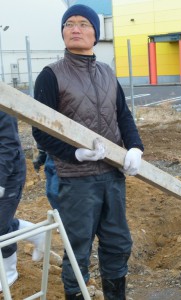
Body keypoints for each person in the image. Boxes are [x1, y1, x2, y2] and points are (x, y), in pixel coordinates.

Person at [32, 4, 144, 300]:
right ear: (63, 33)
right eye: (69, 24)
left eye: (83, 24)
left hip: (111, 175)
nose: (76, 29)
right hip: (74, 179)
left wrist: (135, 148)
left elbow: (123, 117)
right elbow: (39, 130)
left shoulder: (107, 73)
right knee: (77, 248)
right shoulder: (51, 75)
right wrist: (74, 154)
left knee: (118, 243)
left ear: (95, 34)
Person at [0, 111, 44, 292]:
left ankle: (9, 273)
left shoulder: (2, 104)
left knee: (0, 227)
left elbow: (8, 144)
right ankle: (37, 233)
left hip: (9, 173)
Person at [33, 146, 59, 210]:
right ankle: (59, 215)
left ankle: (64, 216)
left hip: (63, 158)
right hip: (49, 157)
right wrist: (42, 154)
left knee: (56, 192)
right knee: (50, 193)